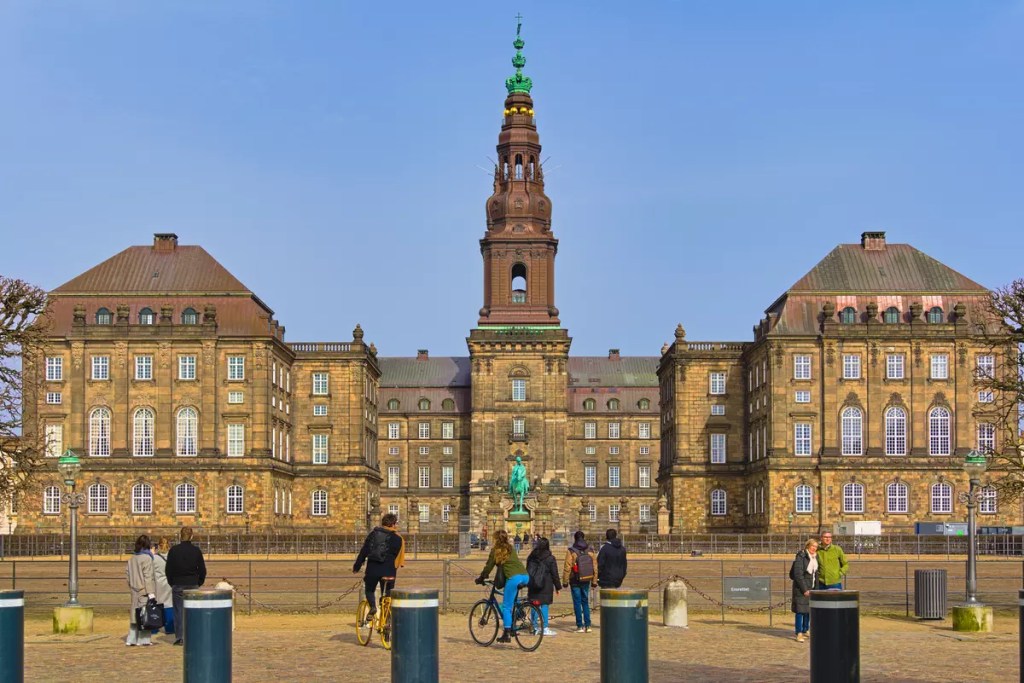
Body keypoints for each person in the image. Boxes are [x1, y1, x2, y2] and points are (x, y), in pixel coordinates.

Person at [475, 529, 529, 643]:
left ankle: (507, 633)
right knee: (512, 600)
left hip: (514, 578)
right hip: (525, 575)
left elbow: (489, 566)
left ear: (495, 539)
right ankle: (519, 613)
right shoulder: (511, 548)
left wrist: (481, 578)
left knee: (506, 607)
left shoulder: (496, 550)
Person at [353, 513, 405, 621]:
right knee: (387, 595)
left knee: (369, 590)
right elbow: (396, 556)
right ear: (393, 524)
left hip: (373, 569)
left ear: (383, 523)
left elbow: (364, 551)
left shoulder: (373, 534)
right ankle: (387, 619)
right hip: (389, 571)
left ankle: (372, 607)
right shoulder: (398, 538)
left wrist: (357, 566)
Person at [166, 526, 207, 646]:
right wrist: (198, 582)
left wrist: (172, 582)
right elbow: (203, 570)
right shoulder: (196, 551)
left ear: (180, 536)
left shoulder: (173, 550)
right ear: (192, 536)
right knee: (193, 611)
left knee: (178, 612)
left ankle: (180, 637)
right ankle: (193, 635)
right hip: (192, 584)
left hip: (178, 584)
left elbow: (168, 569)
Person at [562, 530, 598, 633]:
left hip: (575, 580)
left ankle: (579, 626)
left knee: (577, 602)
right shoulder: (590, 550)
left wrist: (565, 581)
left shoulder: (571, 551)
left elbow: (567, 567)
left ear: (575, 538)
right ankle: (588, 625)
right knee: (585, 601)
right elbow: (595, 566)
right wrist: (594, 581)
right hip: (586, 578)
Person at [526, 537, 562, 636]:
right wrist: (558, 587)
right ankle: (544, 627)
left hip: (533, 583)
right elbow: (555, 574)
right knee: (544, 605)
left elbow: (527, 569)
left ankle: (534, 626)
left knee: (534, 604)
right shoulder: (550, 558)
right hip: (546, 584)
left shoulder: (531, 556)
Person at [125, 534, 157, 646]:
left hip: (134, 590)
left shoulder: (132, 559)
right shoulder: (147, 558)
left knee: (134, 616)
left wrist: (132, 586)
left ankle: (131, 639)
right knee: (145, 616)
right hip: (144, 591)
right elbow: (148, 577)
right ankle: (144, 639)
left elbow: (128, 575)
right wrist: (151, 593)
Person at [790, 538, 819, 642]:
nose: (814, 548)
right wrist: (804, 589)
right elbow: (798, 574)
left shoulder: (815, 557)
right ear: (808, 546)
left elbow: (816, 574)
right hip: (801, 588)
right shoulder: (801, 556)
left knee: (808, 611)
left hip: (811, 587)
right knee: (800, 611)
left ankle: (806, 629)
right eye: (812, 546)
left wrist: (816, 588)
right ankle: (799, 633)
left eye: (816, 547)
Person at [151, 537, 174, 636]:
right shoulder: (172, 557)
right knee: (169, 604)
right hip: (169, 582)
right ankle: (169, 628)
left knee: (157, 604)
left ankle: (155, 627)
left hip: (158, 583)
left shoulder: (155, 558)